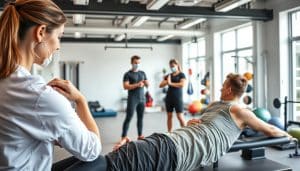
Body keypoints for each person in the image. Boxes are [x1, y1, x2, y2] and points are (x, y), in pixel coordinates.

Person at [58, 73, 291, 171]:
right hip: (170, 147)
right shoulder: (217, 107)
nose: (219, 89)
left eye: (222, 86)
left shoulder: (238, 109)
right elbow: (202, 123)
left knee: (109, 163)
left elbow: (270, 129)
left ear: (229, 89)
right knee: (109, 163)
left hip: (171, 149)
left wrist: (289, 136)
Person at [0, 1, 101, 170]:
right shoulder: (39, 96)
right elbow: (92, 150)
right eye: (59, 37)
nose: (58, 46)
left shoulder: (7, 81)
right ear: (40, 32)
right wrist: (80, 100)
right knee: (100, 161)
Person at [114, 55, 149, 150]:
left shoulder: (142, 73)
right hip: (132, 99)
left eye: (138, 63)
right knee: (128, 118)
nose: (137, 65)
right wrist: (138, 84)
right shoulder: (127, 74)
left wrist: (146, 83)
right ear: (131, 63)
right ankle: (123, 136)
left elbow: (147, 84)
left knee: (140, 118)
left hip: (142, 99)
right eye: (135, 63)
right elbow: (126, 86)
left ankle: (140, 135)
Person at [159, 59, 186, 132]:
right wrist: (167, 82)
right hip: (169, 98)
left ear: (177, 65)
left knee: (180, 116)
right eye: (171, 67)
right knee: (169, 116)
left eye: (173, 66)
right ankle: (169, 133)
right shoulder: (169, 75)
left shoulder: (181, 74)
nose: (172, 68)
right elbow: (160, 85)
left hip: (178, 98)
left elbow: (182, 84)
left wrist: (170, 83)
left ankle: (186, 132)